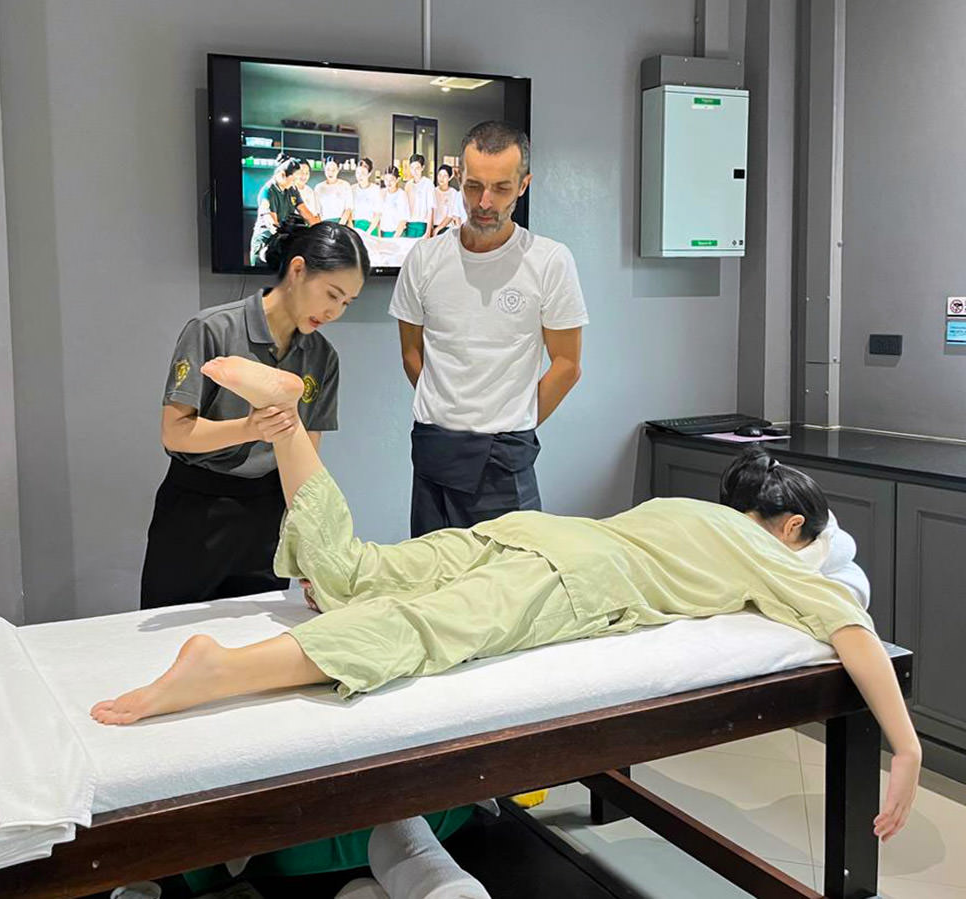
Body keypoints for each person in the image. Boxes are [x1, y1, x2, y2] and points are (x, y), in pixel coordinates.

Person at [95, 360, 920, 845]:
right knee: (422, 630)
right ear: (788, 526)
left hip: (528, 532)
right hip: (575, 579)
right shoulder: (764, 547)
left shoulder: (689, 509)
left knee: (354, 570)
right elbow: (850, 623)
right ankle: (221, 670)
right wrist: (906, 746)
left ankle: (285, 424)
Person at [139, 223, 368, 608]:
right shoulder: (212, 329)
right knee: (173, 633)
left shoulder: (323, 358)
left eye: (347, 303)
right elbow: (175, 433)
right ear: (298, 270)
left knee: (255, 635)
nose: (334, 312)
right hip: (197, 510)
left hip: (267, 513)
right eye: (332, 294)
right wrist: (249, 428)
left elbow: (305, 463)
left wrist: (312, 549)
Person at [390, 120, 587, 537]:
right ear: (459, 179)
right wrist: (446, 406)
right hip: (433, 447)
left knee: (510, 573)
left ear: (523, 185)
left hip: (505, 456)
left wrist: (515, 423)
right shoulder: (424, 259)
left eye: (500, 188)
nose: (484, 202)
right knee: (429, 571)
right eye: (474, 186)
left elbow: (567, 365)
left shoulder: (549, 261)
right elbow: (411, 353)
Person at [248, 156, 318, 264]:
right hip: (266, 241)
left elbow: (305, 212)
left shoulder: (291, 189)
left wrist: (320, 230)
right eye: (293, 179)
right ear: (282, 175)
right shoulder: (268, 192)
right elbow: (272, 223)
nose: (295, 182)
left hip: (280, 240)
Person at [403, 153, 436, 238]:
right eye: (412, 168)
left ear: (422, 168)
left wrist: (428, 231)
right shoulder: (408, 185)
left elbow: (430, 209)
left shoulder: (428, 184)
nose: (414, 171)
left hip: (422, 225)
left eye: (417, 168)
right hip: (409, 224)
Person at [313, 156, 353, 224]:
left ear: (338, 170)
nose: (330, 172)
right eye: (328, 169)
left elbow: (348, 208)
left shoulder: (345, 185)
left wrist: (340, 224)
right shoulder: (318, 187)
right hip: (324, 223)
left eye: (333, 170)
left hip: (341, 223)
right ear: (324, 169)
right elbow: (317, 211)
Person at [350, 157, 383, 236]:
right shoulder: (352, 189)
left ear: (369, 174)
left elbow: (378, 214)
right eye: (358, 173)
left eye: (363, 173)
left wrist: (368, 232)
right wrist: (352, 230)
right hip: (355, 227)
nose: (360, 176)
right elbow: (349, 212)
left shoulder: (375, 189)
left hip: (371, 227)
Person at [430, 164, 463, 237]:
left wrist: (438, 229)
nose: (441, 178)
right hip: (433, 227)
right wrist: (431, 228)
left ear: (449, 177)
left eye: (445, 176)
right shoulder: (433, 191)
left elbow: (451, 214)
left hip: (447, 228)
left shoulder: (454, 193)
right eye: (440, 175)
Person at [379, 165, 410, 238]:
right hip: (384, 233)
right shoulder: (382, 193)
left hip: (398, 234)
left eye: (391, 179)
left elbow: (403, 219)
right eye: (386, 179)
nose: (388, 182)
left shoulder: (401, 195)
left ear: (397, 179)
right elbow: (378, 215)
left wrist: (395, 237)